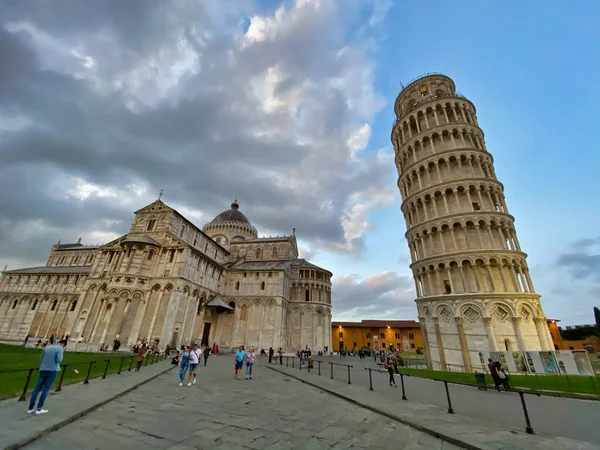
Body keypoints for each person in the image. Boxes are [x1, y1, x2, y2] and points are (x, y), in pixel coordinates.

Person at [28, 339, 67, 414]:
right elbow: (59, 360)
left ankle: (30, 408)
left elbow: (41, 358)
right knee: (45, 389)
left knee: (37, 389)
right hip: (52, 370)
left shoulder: (48, 347)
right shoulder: (60, 348)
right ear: (63, 344)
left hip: (43, 369)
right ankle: (39, 409)